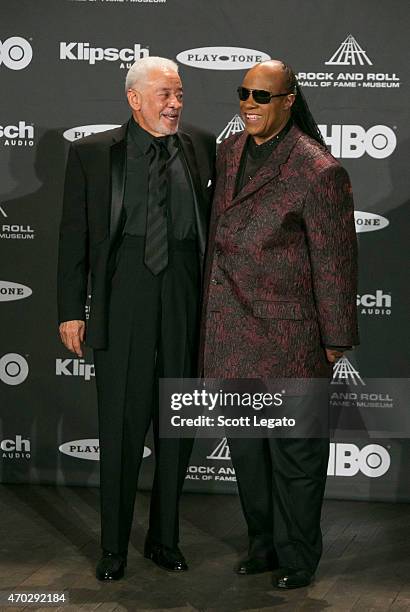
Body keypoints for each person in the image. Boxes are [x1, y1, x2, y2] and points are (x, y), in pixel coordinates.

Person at [200, 60, 359, 589]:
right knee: (249, 455)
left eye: (261, 96)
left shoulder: (317, 169)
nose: (249, 103)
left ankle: (297, 558)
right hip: (232, 332)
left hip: (291, 339)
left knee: (296, 460)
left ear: (289, 101)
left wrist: (334, 339)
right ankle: (264, 544)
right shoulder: (228, 152)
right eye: (243, 93)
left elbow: (335, 261)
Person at [57, 56, 215, 581]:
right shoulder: (93, 153)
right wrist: (68, 312)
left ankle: (164, 539)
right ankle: (113, 548)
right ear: (134, 99)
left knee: (176, 425)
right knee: (120, 429)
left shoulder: (200, 146)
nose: (175, 104)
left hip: (183, 297)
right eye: (165, 95)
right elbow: (73, 240)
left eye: (179, 94)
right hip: (121, 298)